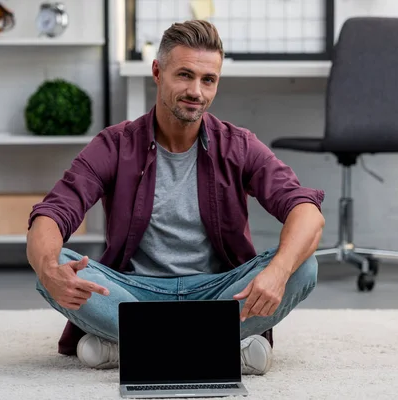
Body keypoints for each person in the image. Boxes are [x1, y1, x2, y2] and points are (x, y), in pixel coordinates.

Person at [26, 19, 325, 376]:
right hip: (133, 293)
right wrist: (49, 269)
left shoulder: (239, 145)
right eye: (184, 75)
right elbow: (53, 213)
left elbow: (305, 211)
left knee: (303, 265)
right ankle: (221, 346)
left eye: (208, 80)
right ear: (157, 71)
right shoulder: (114, 144)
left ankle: (127, 346)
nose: (196, 91)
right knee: (49, 260)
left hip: (218, 293)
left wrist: (277, 272)